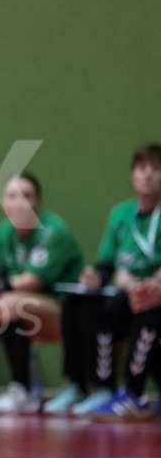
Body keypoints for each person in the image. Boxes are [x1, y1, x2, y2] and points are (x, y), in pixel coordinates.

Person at [0, 173, 84, 414]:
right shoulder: (4, 232)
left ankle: (24, 390)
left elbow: (31, 281)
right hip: (17, 305)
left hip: (64, 311)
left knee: (9, 303)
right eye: (12, 196)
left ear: (38, 202)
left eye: (26, 196)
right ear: (3, 203)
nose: (19, 202)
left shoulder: (53, 230)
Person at [83, 144, 161, 419]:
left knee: (147, 308)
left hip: (155, 294)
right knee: (104, 310)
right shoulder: (120, 214)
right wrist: (97, 276)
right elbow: (108, 264)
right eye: (142, 169)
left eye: (155, 169)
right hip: (132, 290)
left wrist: (156, 284)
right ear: (132, 176)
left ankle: (134, 393)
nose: (148, 175)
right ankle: (104, 388)